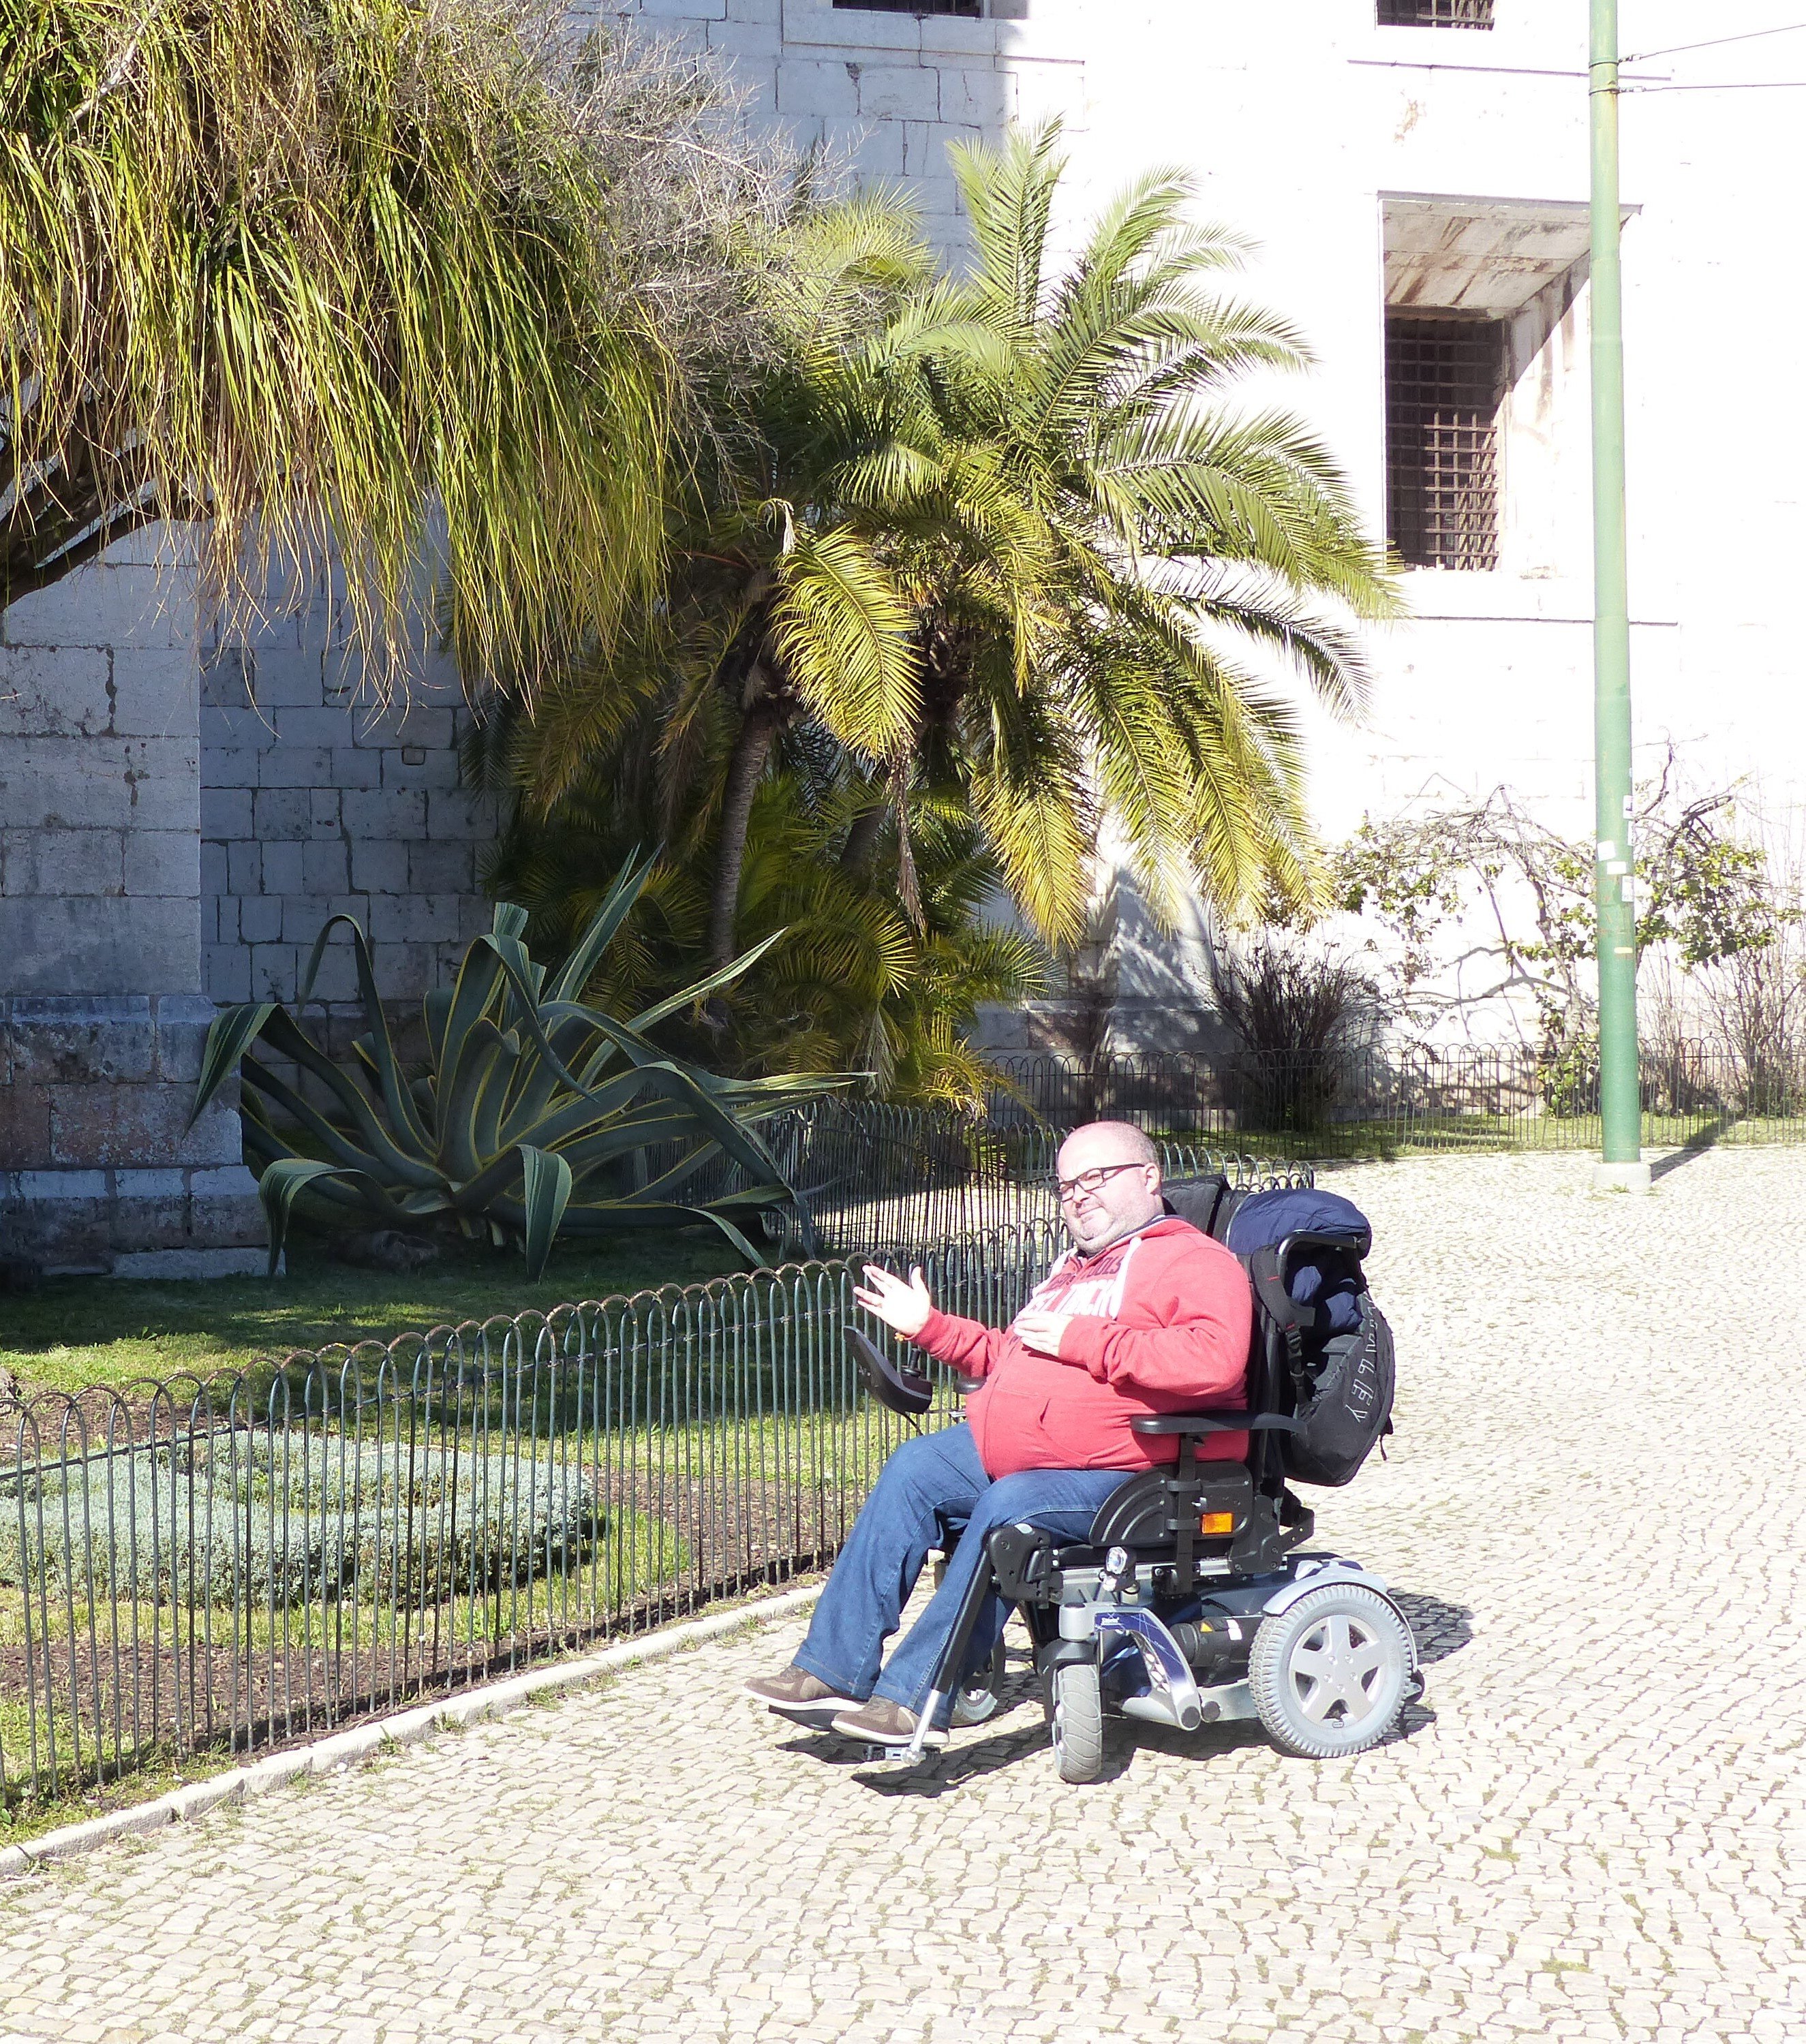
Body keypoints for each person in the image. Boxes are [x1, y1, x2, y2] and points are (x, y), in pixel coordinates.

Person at [744, 1119, 1253, 1748]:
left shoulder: (1195, 1260)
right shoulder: (1073, 1273)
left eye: (1095, 1177)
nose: (1078, 1194)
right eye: (1066, 1185)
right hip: (1028, 1455)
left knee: (1008, 1506)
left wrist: (1081, 1339)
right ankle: (830, 1667)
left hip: (1140, 1472)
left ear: (1149, 1178)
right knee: (915, 1468)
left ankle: (914, 1699)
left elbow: (1213, 1361)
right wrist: (928, 1327)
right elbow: (1007, 1357)